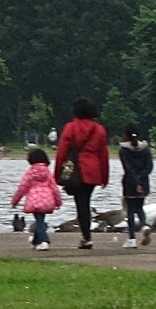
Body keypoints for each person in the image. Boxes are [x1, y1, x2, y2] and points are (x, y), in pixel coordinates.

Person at [54, 97, 109, 250]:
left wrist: (57, 173)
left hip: (77, 169)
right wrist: (105, 176)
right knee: (85, 202)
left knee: (81, 204)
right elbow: (103, 155)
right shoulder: (99, 130)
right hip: (93, 171)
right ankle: (86, 236)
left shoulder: (70, 128)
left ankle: (87, 237)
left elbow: (62, 153)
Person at [11, 147, 63, 251]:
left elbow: (22, 187)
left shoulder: (30, 173)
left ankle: (44, 240)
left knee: (39, 221)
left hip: (34, 200)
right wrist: (58, 201)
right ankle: (36, 240)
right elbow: (54, 188)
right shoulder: (48, 173)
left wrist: (15, 201)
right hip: (47, 200)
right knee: (40, 220)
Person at [118, 122, 153, 248]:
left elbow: (128, 168)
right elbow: (149, 167)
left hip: (130, 183)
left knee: (131, 210)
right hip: (144, 182)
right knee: (140, 207)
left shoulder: (123, 150)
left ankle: (132, 238)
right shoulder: (145, 149)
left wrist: (135, 181)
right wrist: (141, 178)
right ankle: (144, 225)